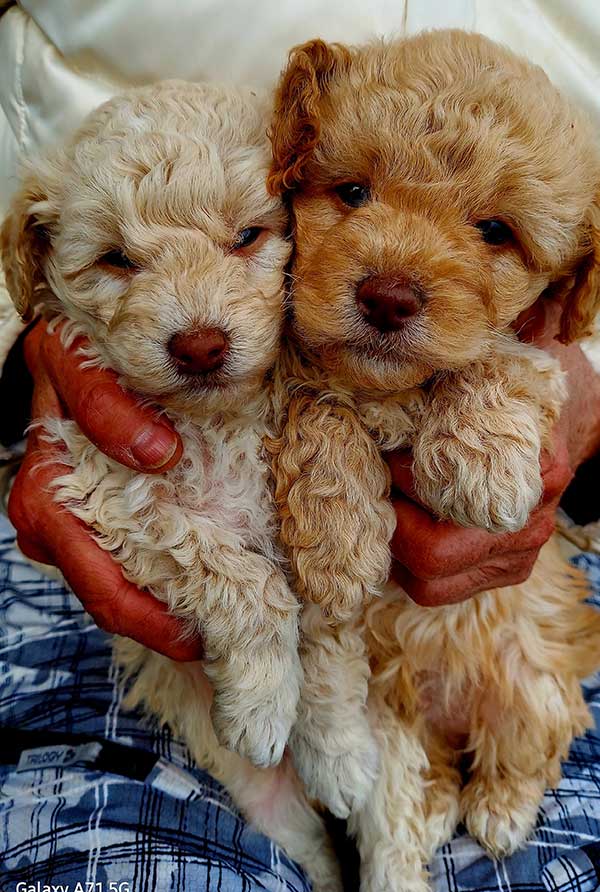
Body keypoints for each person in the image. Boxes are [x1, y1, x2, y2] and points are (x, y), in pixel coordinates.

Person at [1, 2, 600, 889]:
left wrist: (580, 391)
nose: (397, 275)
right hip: (111, 523)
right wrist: (31, 350)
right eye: (349, 192)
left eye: (494, 231)